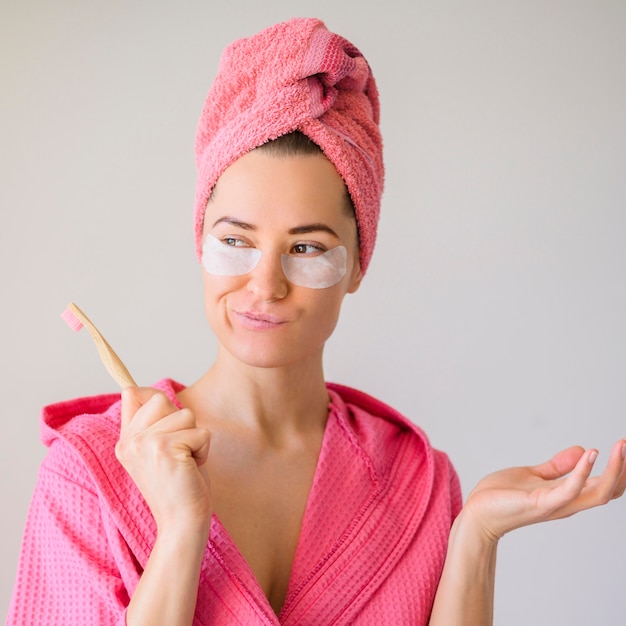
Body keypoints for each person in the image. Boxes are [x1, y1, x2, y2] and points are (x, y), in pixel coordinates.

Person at [7, 17, 626, 626]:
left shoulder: (420, 483)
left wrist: (476, 537)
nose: (265, 285)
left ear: (358, 265)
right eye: (236, 240)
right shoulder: (91, 474)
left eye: (306, 248)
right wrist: (180, 533)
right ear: (200, 241)